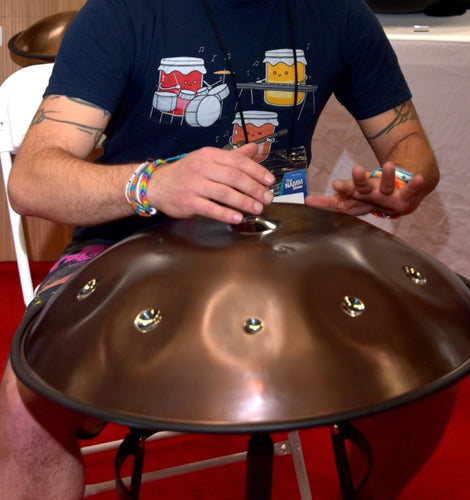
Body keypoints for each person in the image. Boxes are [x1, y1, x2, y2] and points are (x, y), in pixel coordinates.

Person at [0, 0, 443, 498]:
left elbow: (411, 146)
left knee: (424, 361)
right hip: (130, 242)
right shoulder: (121, 12)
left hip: (281, 243)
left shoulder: (339, 12)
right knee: (24, 402)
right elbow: (31, 181)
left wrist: (401, 182)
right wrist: (155, 183)